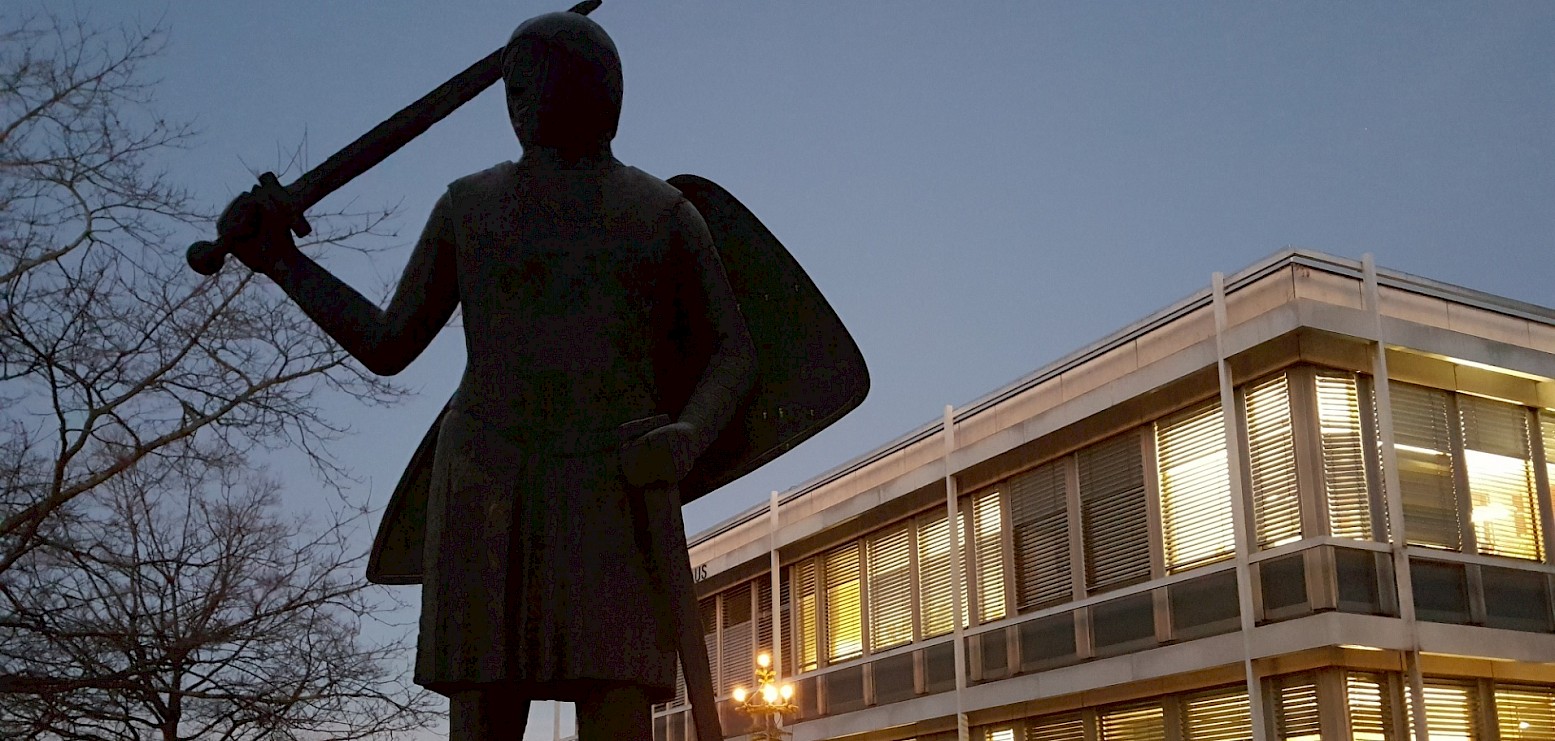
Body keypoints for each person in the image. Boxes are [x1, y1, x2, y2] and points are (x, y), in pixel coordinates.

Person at [225, 11, 755, 740]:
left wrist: (689, 434)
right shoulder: (471, 206)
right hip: (487, 486)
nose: (521, 106)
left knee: (616, 705)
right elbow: (388, 341)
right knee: (484, 709)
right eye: (516, 91)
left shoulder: (661, 213)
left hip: (613, 487)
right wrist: (282, 263)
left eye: (530, 88)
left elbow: (735, 351)